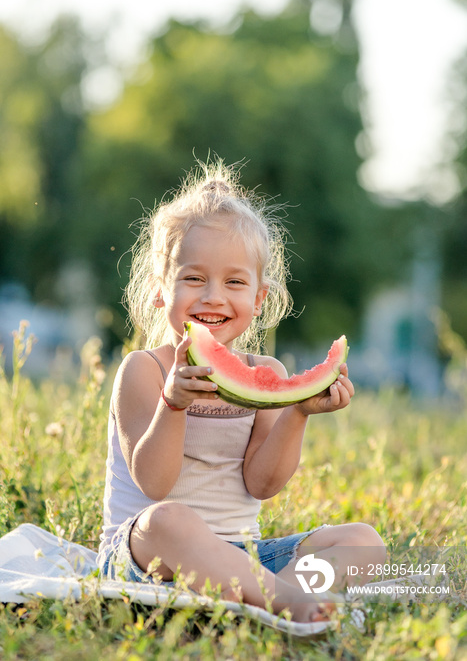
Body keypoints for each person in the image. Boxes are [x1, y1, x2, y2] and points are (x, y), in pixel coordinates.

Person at [97, 160, 385, 623]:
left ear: (258, 298)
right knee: (169, 518)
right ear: (159, 290)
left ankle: (262, 592)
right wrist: (173, 405)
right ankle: (288, 600)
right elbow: (154, 483)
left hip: (242, 551)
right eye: (194, 278)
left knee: (365, 542)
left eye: (234, 282)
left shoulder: (265, 371)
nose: (213, 296)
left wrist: (298, 413)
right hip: (145, 556)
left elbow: (263, 484)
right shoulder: (143, 370)